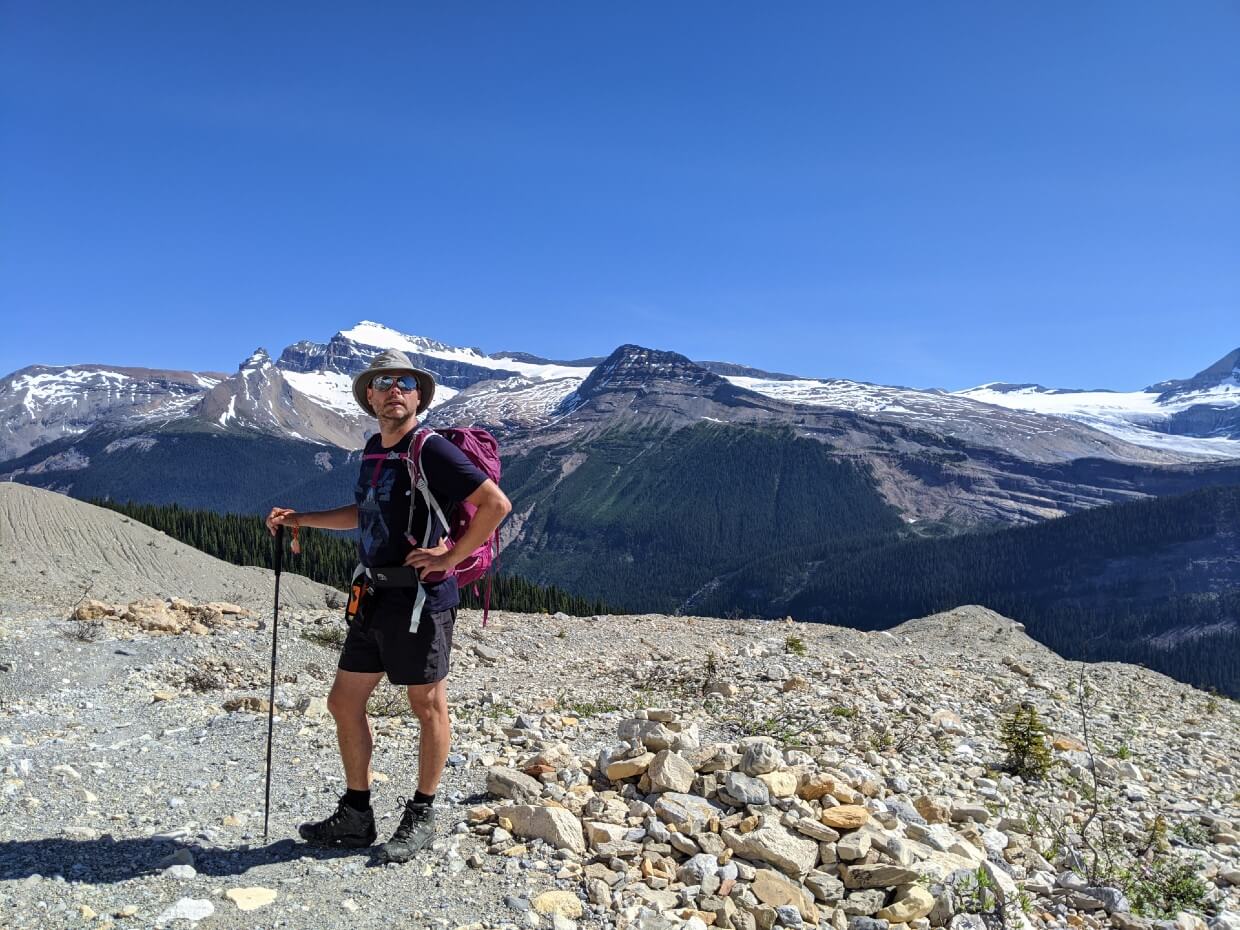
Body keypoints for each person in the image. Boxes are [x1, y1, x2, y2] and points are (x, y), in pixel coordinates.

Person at [265, 348, 511, 863]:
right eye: (382, 383)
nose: (392, 389)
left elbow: (496, 505)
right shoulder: (375, 448)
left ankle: (422, 811)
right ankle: (357, 815)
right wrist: (300, 520)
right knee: (343, 702)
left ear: (418, 394)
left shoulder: (432, 449)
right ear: (370, 396)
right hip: (373, 594)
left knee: (427, 706)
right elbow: (364, 512)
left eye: (403, 382)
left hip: (421, 599)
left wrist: (451, 556)